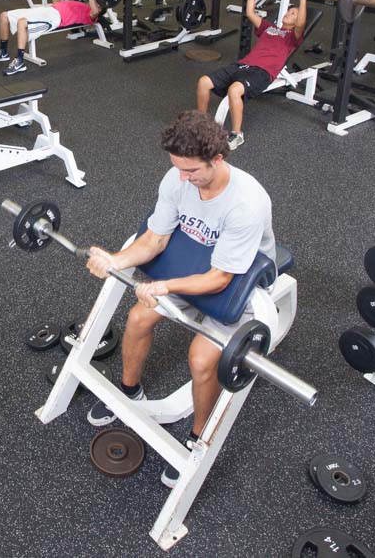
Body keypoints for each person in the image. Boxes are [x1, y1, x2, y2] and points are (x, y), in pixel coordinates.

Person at [84, 110, 276, 488]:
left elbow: (221, 279)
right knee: (139, 318)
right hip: (194, 263)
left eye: (192, 172)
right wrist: (114, 260)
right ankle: (129, 393)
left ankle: (197, 437)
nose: (184, 179)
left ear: (218, 159)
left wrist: (165, 287)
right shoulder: (177, 178)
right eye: (178, 169)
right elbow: (156, 238)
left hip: (238, 282)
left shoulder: (247, 202)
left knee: (202, 359)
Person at [196, 0, 309, 151]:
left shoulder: (293, 37)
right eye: (288, 11)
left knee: (234, 90)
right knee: (204, 81)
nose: (288, 13)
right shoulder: (269, 28)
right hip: (242, 65)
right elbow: (250, 13)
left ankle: (237, 134)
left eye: (293, 14)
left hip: (262, 72)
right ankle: (201, 123)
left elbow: (300, 25)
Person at [0, 0, 98, 76]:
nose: (96, 3)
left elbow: (95, 12)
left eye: (98, 4)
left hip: (54, 19)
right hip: (47, 9)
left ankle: (19, 61)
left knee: (22, 23)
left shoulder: (91, 15)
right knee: (4, 15)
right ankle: (3, 51)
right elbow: (55, 2)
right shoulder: (81, 5)